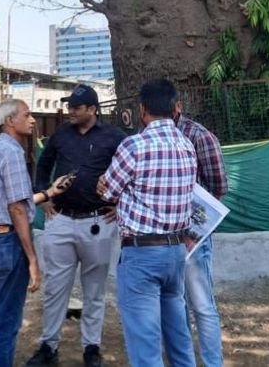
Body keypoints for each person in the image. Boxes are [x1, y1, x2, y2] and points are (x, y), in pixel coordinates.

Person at [97, 78, 197, 367]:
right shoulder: (186, 146)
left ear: (142, 109)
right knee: (178, 334)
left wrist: (107, 186)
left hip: (141, 253)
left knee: (145, 344)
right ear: (174, 108)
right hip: (176, 251)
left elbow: (110, 191)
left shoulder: (134, 145)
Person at [25, 84, 126, 367]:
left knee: (94, 290)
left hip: (98, 222)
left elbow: (131, 170)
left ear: (92, 109)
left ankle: (91, 348)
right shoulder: (60, 135)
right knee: (56, 287)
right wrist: (44, 193)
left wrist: (121, 204)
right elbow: (43, 165)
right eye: (69, 106)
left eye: (76, 107)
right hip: (61, 220)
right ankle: (48, 346)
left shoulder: (114, 137)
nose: (70, 111)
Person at [0, 98, 42, 367]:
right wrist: (32, 259)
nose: (33, 120)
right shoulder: (12, 153)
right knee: (7, 319)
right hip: (9, 240)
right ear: (10, 121)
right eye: (27, 115)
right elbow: (16, 208)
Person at [176, 104, 229, 367]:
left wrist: (200, 217)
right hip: (165, 236)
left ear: (176, 106)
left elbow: (219, 184)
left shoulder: (198, 135)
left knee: (202, 305)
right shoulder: (148, 133)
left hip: (195, 234)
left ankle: (212, 363)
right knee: (177, 303)